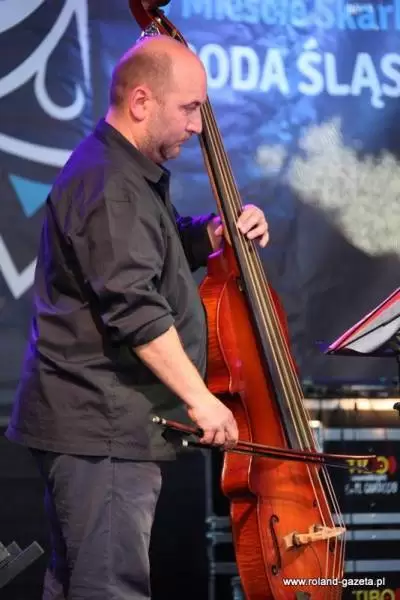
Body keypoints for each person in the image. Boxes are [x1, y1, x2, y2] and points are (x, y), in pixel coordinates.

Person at [5, 35, 269, 600]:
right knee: (109, 589)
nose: (197, 126)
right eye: (189, 108)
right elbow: (135, 308)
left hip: (97, 427)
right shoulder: (111, 184)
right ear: (142, 101)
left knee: (80, 585)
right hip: (100, 427)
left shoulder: (121, 170)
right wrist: (200, 399)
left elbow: (155, 251)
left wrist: (213, 234)